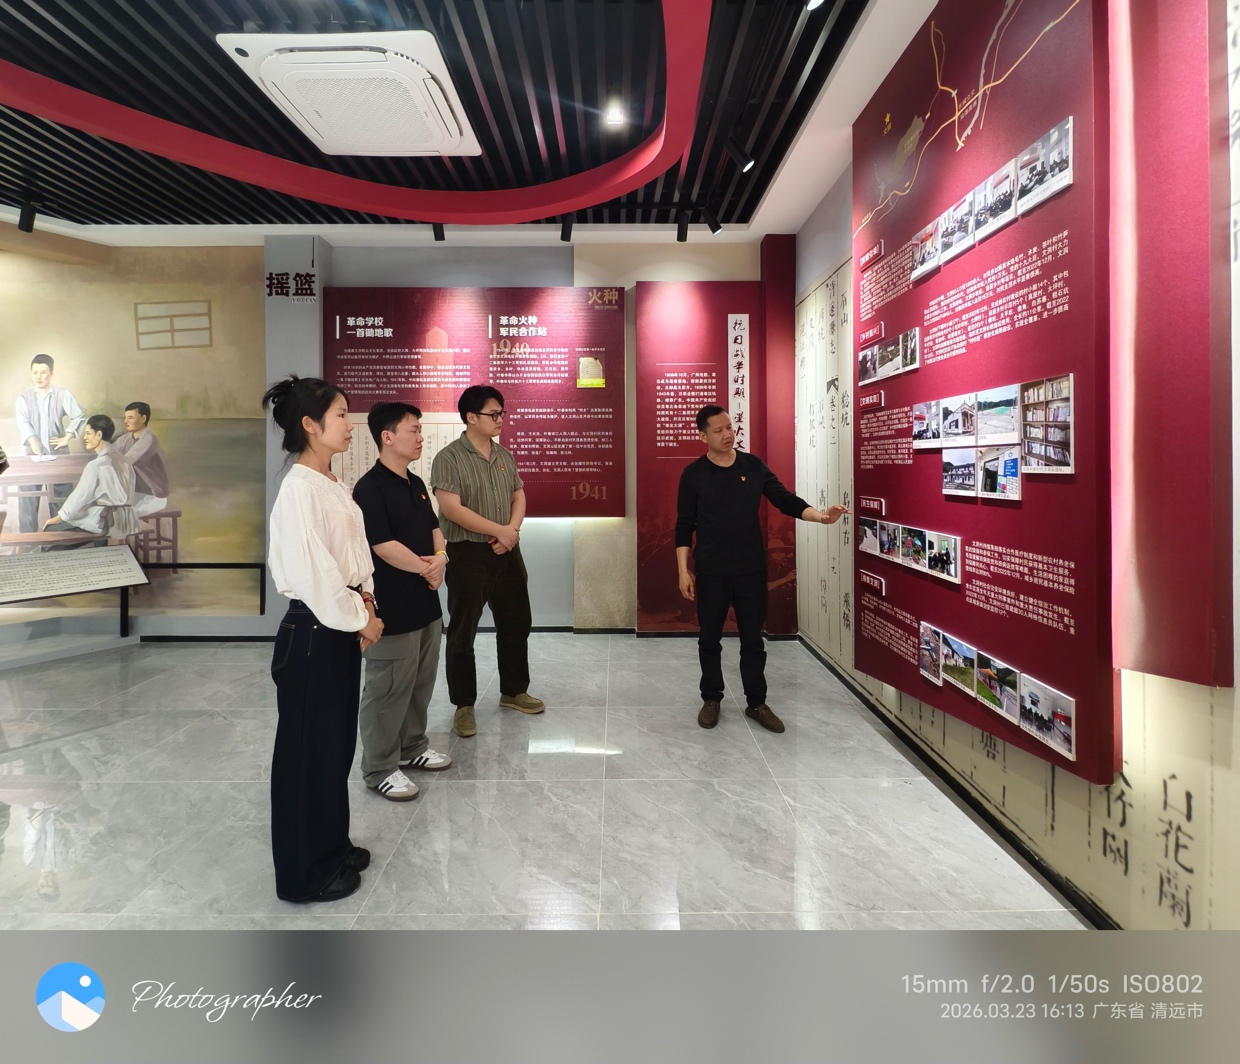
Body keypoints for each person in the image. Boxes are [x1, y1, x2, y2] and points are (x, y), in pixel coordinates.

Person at [264, 375, 383, 904]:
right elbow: (314, 574)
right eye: (340, 415)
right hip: (314, 630)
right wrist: (360, 618)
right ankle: (305, 874)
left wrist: (367, 604)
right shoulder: (298, 489)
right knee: (308, 756)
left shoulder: (331, 482)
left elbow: (353, 557)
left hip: (338, 625)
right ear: (309, 425)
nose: (350, 424)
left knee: (334, 748)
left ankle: (333, 846)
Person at [676, 405, 849, 732]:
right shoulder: (694, 475)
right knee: (709, 638)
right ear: (703, 436)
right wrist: (683, 571)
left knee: (752, 640)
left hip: (751, 570)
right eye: (718, 430)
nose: (728, 434)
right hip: (711, 570)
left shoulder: (752, 466)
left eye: (730, 427)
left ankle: (757, 702)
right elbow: (684, 526)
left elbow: (785, 499)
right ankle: (711, 698)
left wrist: (822, 517)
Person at [352, 402, 452, 802]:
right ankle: (379, 767)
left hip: (425, 606)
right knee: (387, 689)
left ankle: (412, 748)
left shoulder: (416, 483)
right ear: (387, 436)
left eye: (420, 429)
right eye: (413, 429)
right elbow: (382, 545)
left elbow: (434, 528)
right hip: (391, 608)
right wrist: (428, 569)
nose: (421, 437)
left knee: (419, 684)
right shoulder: (369, 488)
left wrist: (441, 559)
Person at [430, 384, 541, 739]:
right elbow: (452, 509)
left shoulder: (504, 455)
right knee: (463, 632)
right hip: (468, 553)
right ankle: (464, 705)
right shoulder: (448, 458)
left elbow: (519, 496)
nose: (500, 419)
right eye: (493, 414)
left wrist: (511, 532)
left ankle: (514, 690)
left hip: (506, 550)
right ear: (471, 417)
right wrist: (500, 531)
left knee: (517, 621)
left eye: (501, 413)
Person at [42, 414, 138, 547]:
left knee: (50, 531)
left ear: (99, 435)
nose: (84, 438)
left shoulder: (96, 465)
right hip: (126, 521)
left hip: (106, 522)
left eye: (88, 433)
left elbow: (79, 497)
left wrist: (58, 518)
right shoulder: (124, 460)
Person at [15, 354, 85, 531]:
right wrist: (33, 441)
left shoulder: (62, 394)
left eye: (43, 372)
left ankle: (60, 541)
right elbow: (23, 422)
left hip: (58, 457)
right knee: (28, 500)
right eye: (35, 373)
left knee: (61, 501)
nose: (39, 377)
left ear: (51, 373)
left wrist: (67, 436)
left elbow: (79, 416)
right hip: (31, 458)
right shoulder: (23, 398)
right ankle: (29, 542)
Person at [113, 401, 170, 517]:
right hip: (134, 494)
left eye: (130, 418)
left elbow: (126, 462)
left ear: (143, 418)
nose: (125, 421)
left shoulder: (148, 439)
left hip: (154, 496)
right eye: (125, 418)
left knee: (121, 516)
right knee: (107, 511)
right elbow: (108, 454)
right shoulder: (125, 439)